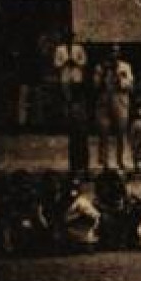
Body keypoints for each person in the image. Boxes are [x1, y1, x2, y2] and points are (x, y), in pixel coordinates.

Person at [54, 34, 90, 175]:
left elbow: (83, 62)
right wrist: (65, 63)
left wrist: (75, 61)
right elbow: (56, 63)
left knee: (80, 136)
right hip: (65, 77)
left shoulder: (78, 48)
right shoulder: (60, 49)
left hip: (76, 77)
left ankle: (81, 166)